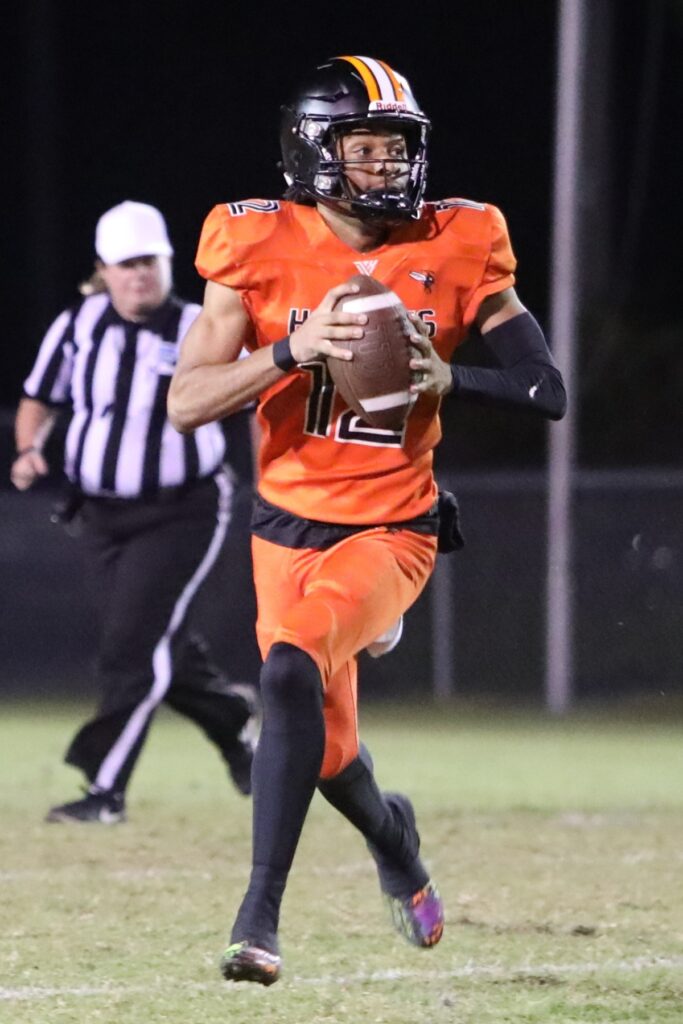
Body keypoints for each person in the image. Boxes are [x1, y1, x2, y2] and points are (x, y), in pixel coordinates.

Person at [168, 55, 566, 985]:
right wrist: (291, 350)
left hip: (392, 527)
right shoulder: (250, 240)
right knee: (327, 745)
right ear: (314, 151)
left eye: (397, 148)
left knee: (286, 666)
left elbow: (545, 389)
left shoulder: (461, 238)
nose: (388, 166)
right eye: (366, 148)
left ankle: (257, 919)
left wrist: (449, 376)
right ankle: (397, 842)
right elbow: (187, 403)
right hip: (282, 529)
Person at [11, 200, 259, 824]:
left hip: (183, 510)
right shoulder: (80, 324)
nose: (140, 274)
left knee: (129, 648)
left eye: (149, 261)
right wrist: (27, 450)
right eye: (127, 264)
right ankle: (234, 727)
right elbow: (39, 398)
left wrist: (274, 483)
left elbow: (257, 401)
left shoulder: (202, 326)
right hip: (100, 515)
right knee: (155, 647)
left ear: (169, 264)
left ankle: (105, 791)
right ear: (104, 270)